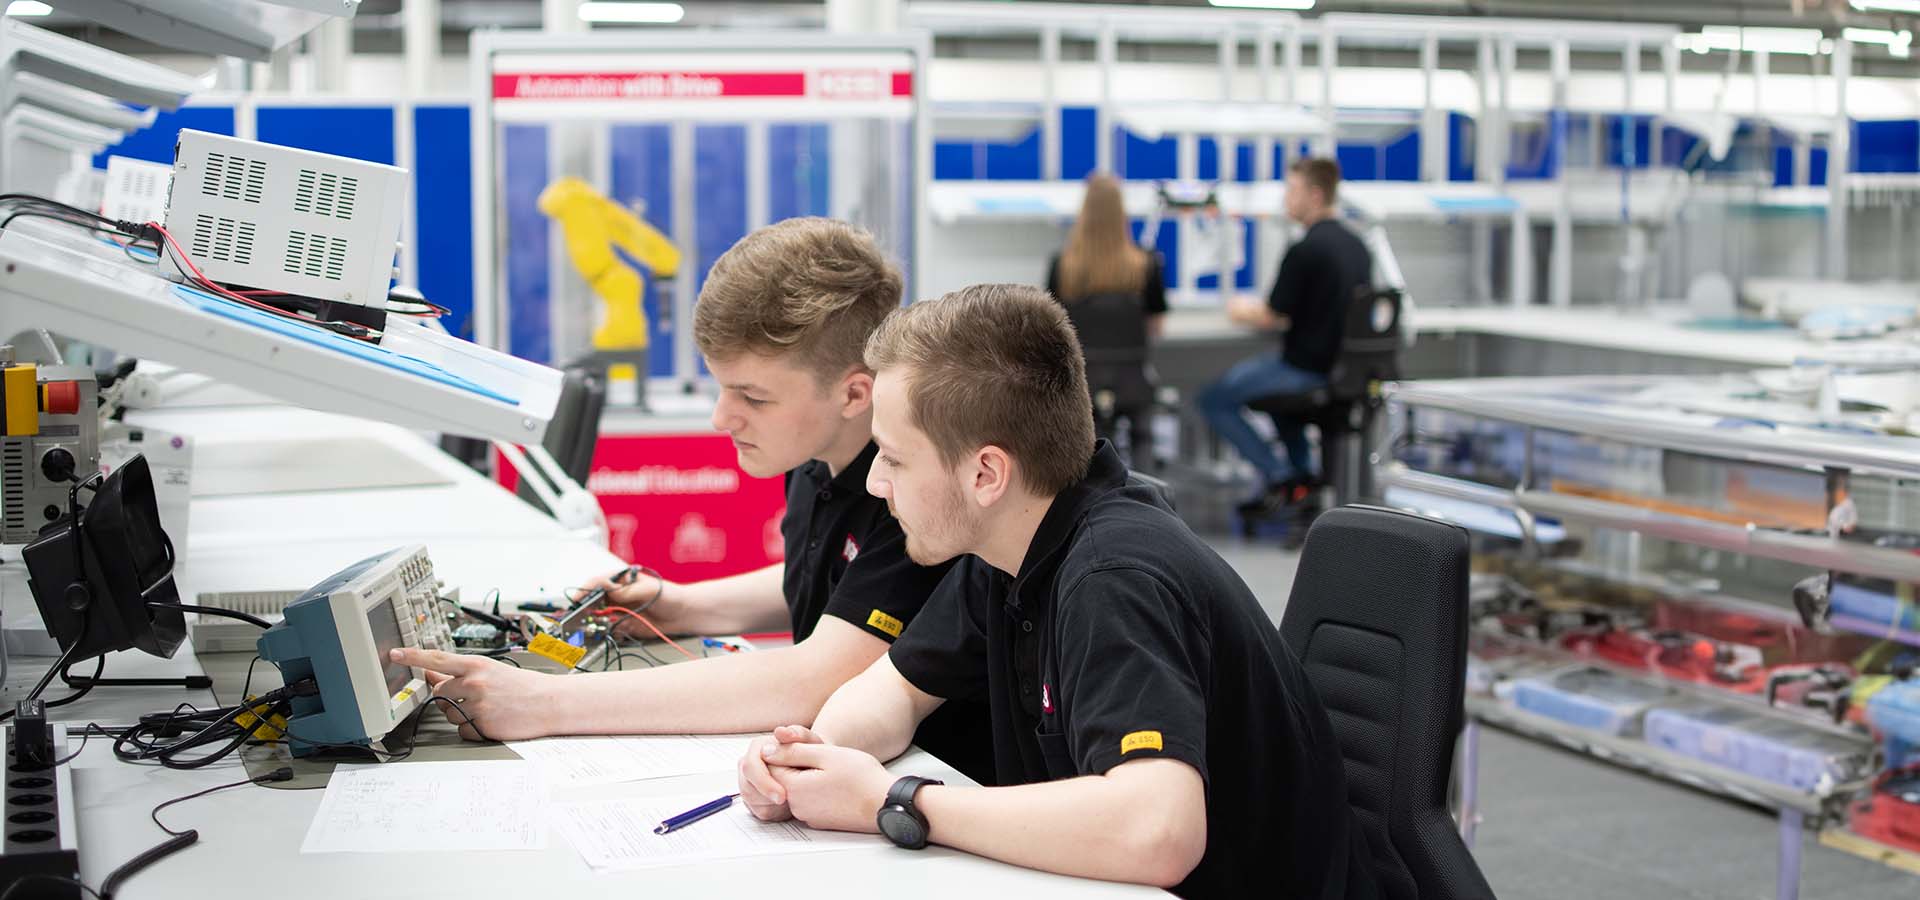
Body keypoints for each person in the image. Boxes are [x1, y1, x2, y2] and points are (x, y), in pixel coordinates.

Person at [733, 284, 1379, 899]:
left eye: (895, 458)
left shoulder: (1112, 578)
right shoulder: (1009, 542)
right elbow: (894, 690)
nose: (876, 482)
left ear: (987, 472)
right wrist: (812, 761)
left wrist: (894, 800)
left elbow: (1159, 830)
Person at [390, 218, 993, 784]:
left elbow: (817, 676)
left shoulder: (910, 493)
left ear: (854, 393)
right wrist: (677, 606)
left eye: (752, 397)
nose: (721, 417)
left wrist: (543, 701)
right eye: (720, 387)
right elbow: (843, 585)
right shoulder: (818, 458)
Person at [1199, 157, 1372, 517]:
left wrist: (1237, 309)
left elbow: (1271, 314)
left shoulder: (1305, 249)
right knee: (1281, 406)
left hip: (1304, 367)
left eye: (1292, 190)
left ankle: (1284, 477)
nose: (1286, 200)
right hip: (1341, 369)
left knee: (1213, 399)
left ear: (1315, 194)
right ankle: (1303, 479)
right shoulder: (1358, 246)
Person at [1045, 173, 1168, 465]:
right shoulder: (1147, 265)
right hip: (1133, 382)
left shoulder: (1062, 266)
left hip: (1080, 385)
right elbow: (1156, 326)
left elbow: (1052, 327)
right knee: (1142, 432)